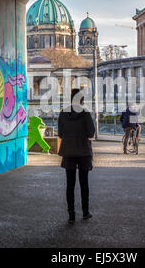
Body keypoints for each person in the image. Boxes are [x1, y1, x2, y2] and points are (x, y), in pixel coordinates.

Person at [58, 89, 95, 224]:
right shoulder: (85, 113)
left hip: (68, 151)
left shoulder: (63, 113)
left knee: (70, 184)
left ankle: (71, 214)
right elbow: (91, 133)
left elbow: (60, 133)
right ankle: (85, 212)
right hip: (83, 151)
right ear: (81, 99)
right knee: (84, 183)